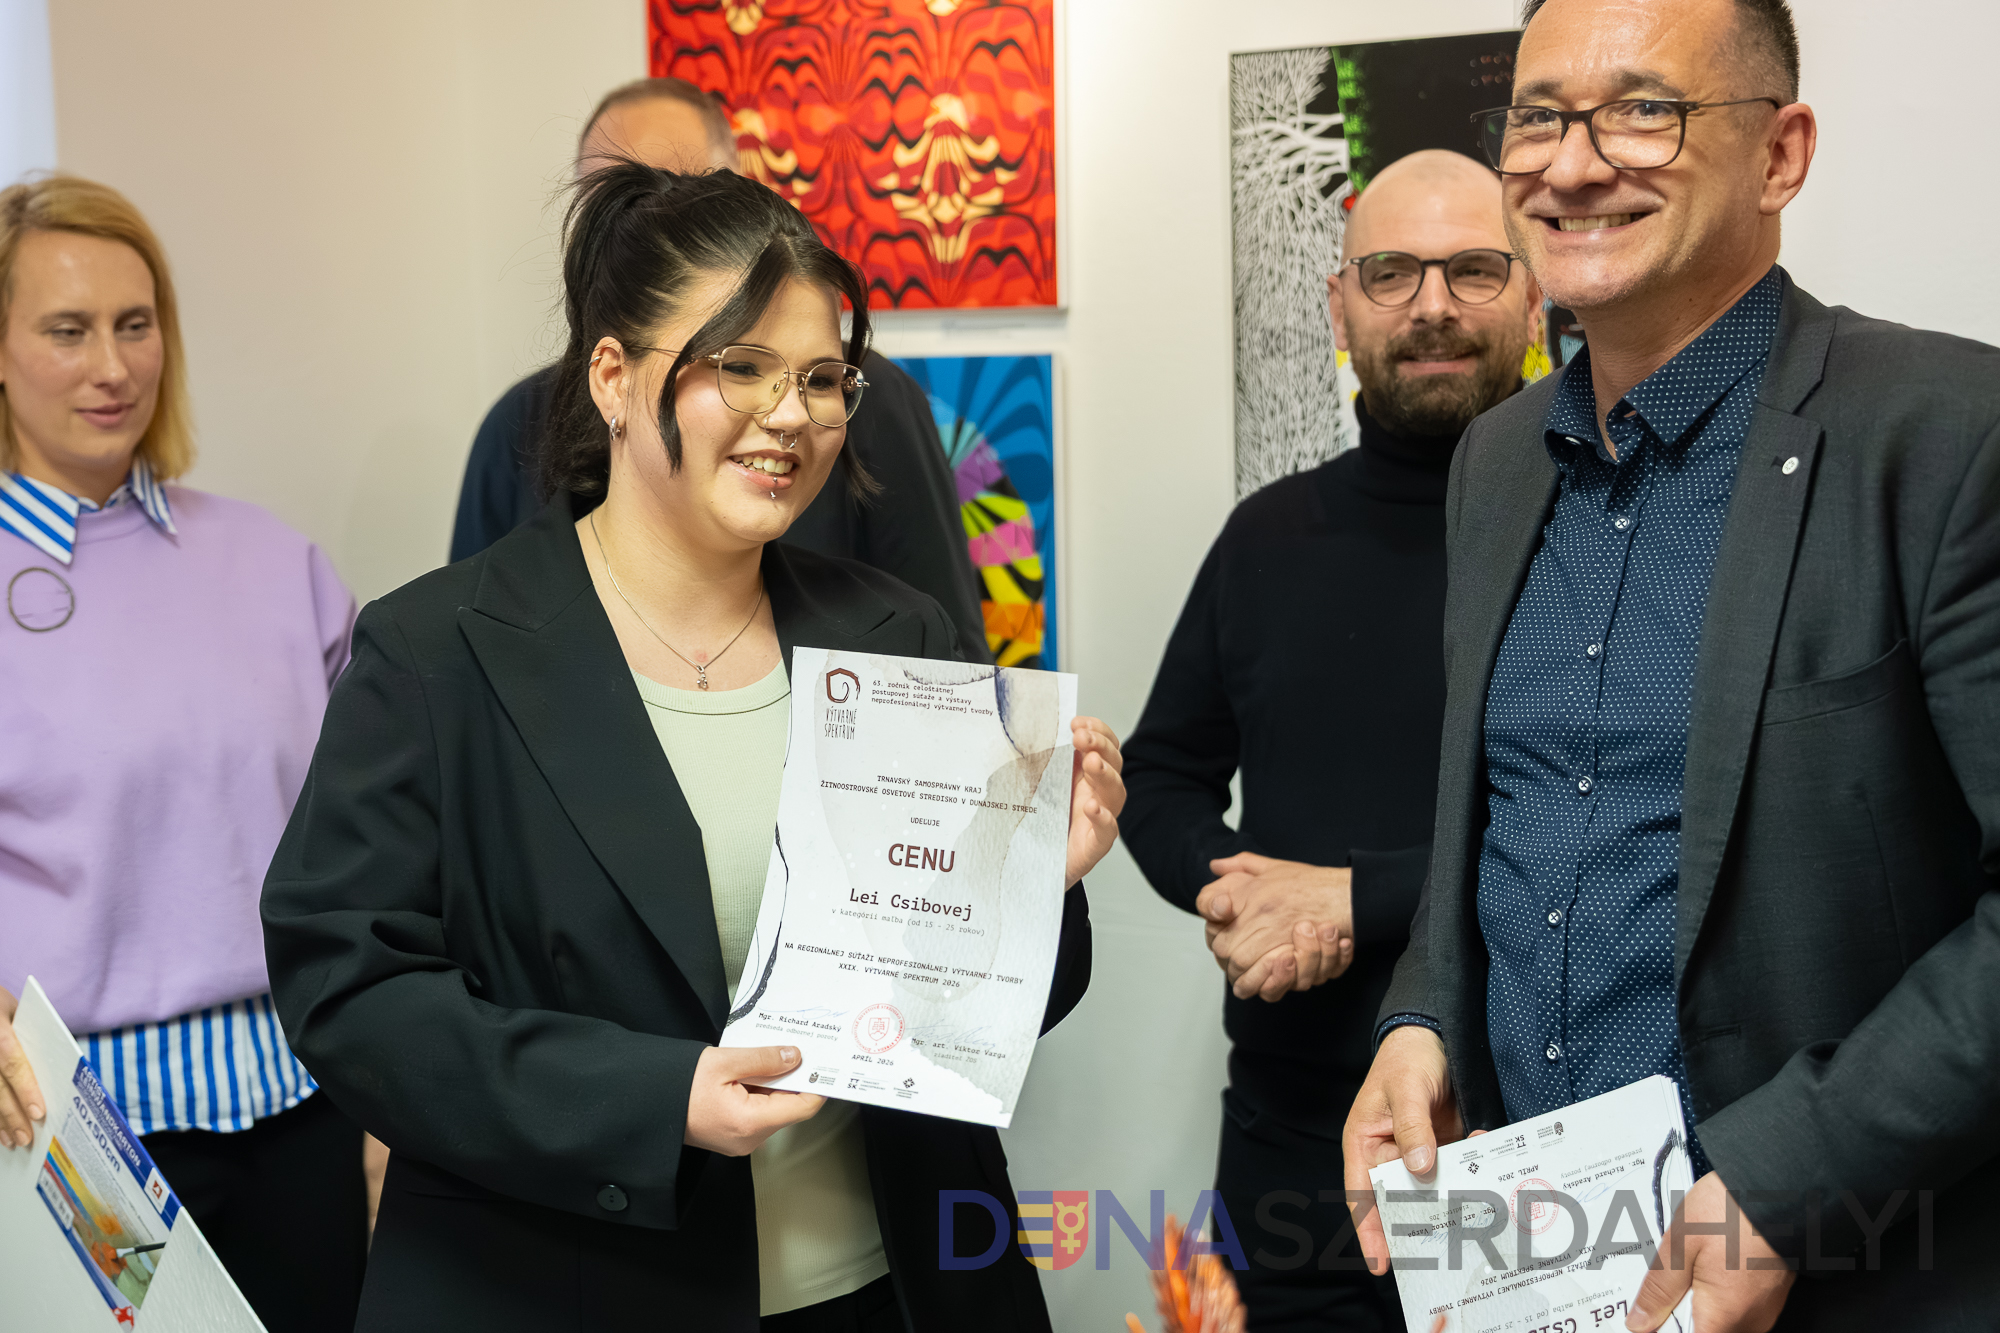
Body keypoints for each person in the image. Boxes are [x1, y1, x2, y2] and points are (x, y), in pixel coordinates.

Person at [262, 163, 1125, 1333]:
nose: (792, 415)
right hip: (563, 1295)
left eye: (820, 378)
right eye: (742, 366)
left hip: (891, 1291)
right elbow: (348, 993)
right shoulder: (438, 653)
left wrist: (1028, 887)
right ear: (612, 379)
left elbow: (988, 1009)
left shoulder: (893, 634)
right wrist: (651, 1098)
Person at [1342, 1, 2000, 1329]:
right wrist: (1421, 1020)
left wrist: (1787, 1179)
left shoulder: (1947, 435)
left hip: (1861, 1274)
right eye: (1538, 117)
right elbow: (1501, 835)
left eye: (1644, 111)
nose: (1572, 164)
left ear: (1780, 154)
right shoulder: (1495, 462)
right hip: (1534, 1271)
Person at [1121, 150, 1542, 1332]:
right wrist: (1237, 891)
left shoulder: (1590, 532)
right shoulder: (1266, 537)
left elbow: (1620, 821)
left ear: (1533, 297)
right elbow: (1161, 774)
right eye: (1391, 272)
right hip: (1290, 1143)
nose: (1431, 306)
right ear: (1337, 304)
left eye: (1472, 270)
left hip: (1522, 1125)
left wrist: (1353, 898)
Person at [0, 174, 363, 1331]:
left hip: (302, 1107)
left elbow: (377, 838)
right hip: (77, 1138)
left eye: (135, 324)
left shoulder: (276, 563)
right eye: (67, 330)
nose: (112, 366)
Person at [451, 76, 988, 661]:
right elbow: (475, 639)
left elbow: (945, 671)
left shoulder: (869, 401)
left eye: (689, 191)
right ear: (611, 378)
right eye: (616, 198)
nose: (789, 415)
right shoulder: (517, 425)